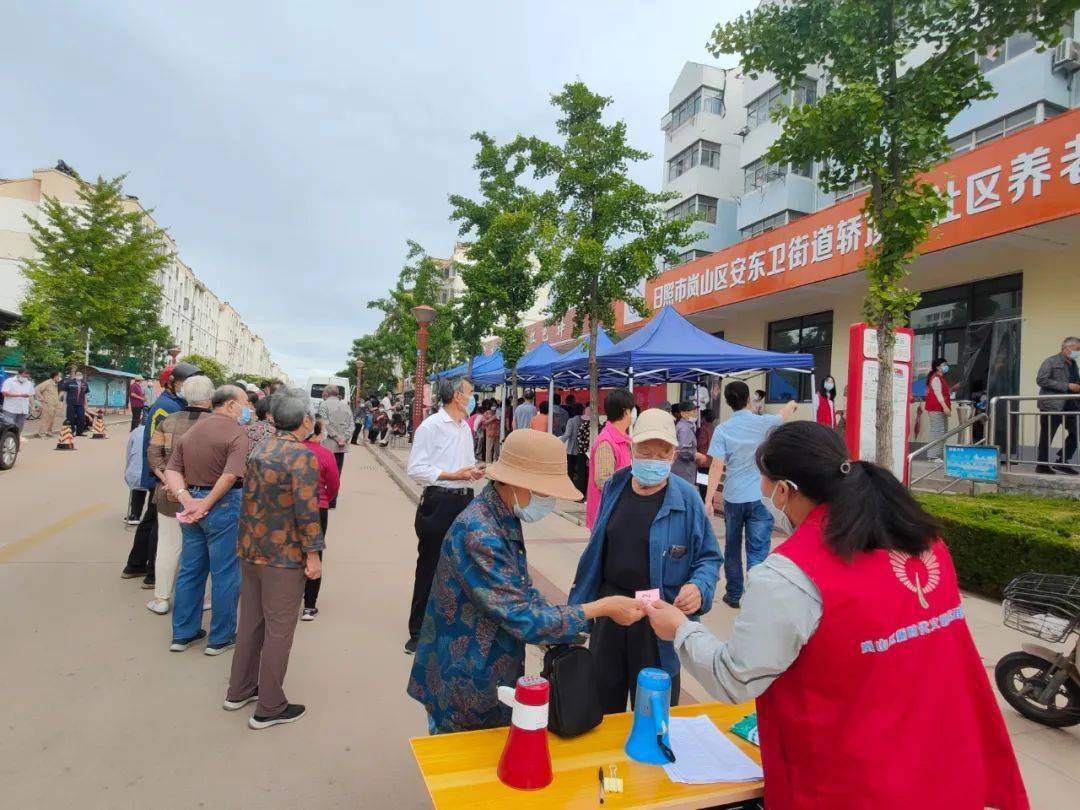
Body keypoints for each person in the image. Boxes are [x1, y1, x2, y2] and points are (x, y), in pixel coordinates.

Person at [644, 421, 1027, 809]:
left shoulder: (790, 576)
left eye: (768, 489)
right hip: (944, 765)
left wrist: (681, 631)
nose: (769, 502)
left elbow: (735, 678)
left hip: (852, 781)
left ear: (786, 489)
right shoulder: (925, 544)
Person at [407, 429, 646, 733]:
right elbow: (522, 615)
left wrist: (563, 621)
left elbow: (522, 590)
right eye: (545, 492)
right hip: (465, 682)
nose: (547, 502)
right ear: (520, 484)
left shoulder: (502, 514)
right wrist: (598, 609)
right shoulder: (480, 533)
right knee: (463, 770)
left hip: (488, 669)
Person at [570, 409, 721, 713]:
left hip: (658, 621)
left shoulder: (687, 499)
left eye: (662, 451)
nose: (653, 458)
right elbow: (597, 550)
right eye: (645, 450)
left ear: (674, 454)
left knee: (653, 716)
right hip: (611, 613)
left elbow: (709, 556)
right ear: (631, 448)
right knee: (601, 707)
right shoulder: (615, 486)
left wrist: (699, 586)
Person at [224, 387, 325, 729]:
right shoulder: (302, 456)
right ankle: (269, 706)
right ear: (305, 420)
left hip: (252, 549)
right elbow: (307, 512)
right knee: (279, 631)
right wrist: (313, 556)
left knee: (251, 622)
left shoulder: (262, 447)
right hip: (283, 556)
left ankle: (239, 689)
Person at [163, 385, 251, 655]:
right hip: (222, 505)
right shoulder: (238, 433)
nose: (249, 409)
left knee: (191, 570)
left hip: (193, 506)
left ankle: (183, 633)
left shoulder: (193, 431)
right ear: (231, 405)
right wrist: (205, 503)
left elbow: (172, 470)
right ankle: (220, 637)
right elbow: (230, 476)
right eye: (246, 403)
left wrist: (187, 499)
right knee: (225, 573)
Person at [403, 376, 485, 655]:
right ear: (457, 396)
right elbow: (416, 469)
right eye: (470, 393)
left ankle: (451, 624)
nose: (473, 397)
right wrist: (453, 474)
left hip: (464, 500)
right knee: (431, 564)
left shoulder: (465, 428)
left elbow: (465, 465)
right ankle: (417, 631)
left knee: (461, 565)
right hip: (439, 502)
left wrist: (474, 471)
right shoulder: (432, 426)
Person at [705, 381, 797, 609]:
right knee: (757, 549)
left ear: (727, 402)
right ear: (748, 400)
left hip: (733, 497)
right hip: (760, 497)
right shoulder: (764, 423)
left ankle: (734, 595)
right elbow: (783, 415)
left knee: (733, 547)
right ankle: (755, 598)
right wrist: (792, 404)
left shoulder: (722, 430)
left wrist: (708, 499)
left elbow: (716, 465)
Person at [122, 362, 200, 587]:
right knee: (161, 525)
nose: (188, 387)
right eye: (185, 383)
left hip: (163, 473)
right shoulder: (167, 407)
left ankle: (135, 565)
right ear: (171, 383)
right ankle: (153, 574)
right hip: (164, 475)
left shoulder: (174, 403)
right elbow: (162, 445)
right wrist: (168, 477)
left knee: (150, 520)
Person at [144, 375, 215, 615]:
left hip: (170, 496)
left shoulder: (169, 421)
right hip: (207, 499)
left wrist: (169, 482)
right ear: (211, 396)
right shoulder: (218, 424)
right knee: (203, 550)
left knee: (168, 546)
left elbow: (153, 456)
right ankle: (202, 599)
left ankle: (161, 598)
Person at [301, 420, 340, 620]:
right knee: (314, 553)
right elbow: (334, 484)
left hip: (292, 507)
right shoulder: (325, 454)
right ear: (317, 431)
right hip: (318, 507)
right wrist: (325, 498)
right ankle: (309, 606)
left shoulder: (294, 450)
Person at [585, 388, 635, 529]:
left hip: (620, 512)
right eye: (633, 410)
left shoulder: (624, 439)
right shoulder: (606, 443)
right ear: (626, 411)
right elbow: (604, 481)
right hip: (608, 516)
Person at [1035, 336, 1080, 475]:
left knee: (1076, 432)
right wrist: (1066, 386)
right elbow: (1041, 380)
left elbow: (1075, 382)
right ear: (1066, 348)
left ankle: (1062, 461)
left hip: (1071, 405)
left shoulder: (1073, 364)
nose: (1078, 352)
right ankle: (1041, 465)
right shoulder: (1051, 361)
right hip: (1052, 405)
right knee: (1047, 436)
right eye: (1077, 349)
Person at [317, 385, 352, 507]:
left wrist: (336, 438)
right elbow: (351, 425)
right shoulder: (346, 406)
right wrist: (344, 439)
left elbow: (324, 423)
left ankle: (322, 499)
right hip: (341, 447)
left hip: (327, 445)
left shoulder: (324, 405)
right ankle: (332, 501)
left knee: (323, 473)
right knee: (337, 473)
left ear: (327, 393)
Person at [671, 400, 706, 486]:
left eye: (696, 411)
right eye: (692, 412)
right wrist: (697, 456)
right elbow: (683, 451)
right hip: (683, 471)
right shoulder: (684, 429)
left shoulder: (686, 426)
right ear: (683, 414)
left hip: (684, 470)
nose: (695, 414)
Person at [924, 357, 952, 461]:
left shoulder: (941, 378)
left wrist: (952, 389)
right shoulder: (936, 378)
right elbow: (938, 394)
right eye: (944, 365)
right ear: (937, 367)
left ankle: (936, 455)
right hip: (936, 409)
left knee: (943, 432)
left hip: (940, 409)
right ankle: (932, 455)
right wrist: (945, 407)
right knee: (937, 432)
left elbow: (943, 393)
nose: (946, 367)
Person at [124, 423, 149, 526]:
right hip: (155, 478)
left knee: (137, 481)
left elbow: (128, 455)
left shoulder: (136, 431)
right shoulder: (162, 430)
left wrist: (127, 471)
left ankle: (135, 514)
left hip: (134, 476)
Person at [1, 368, 35, 433]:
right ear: (19, 374)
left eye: (27, 376)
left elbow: (31, 395)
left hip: (23, 410)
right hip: (10, 409)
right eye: (24, 376)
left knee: (19, 428)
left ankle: (16, 441)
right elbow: (4, 393)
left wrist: (33, 406)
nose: (26, 378)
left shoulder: (29, 383)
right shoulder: (9, 381)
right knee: (8, 427)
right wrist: (20, 395)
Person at [32, 371, 62, 438]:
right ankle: (41, 433)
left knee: (52, 419)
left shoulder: (55, 384)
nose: (60, 378)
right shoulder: (47, 382)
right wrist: (42, 398)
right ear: (55, 376)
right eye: (59, 376)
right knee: (45, 418)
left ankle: (49, 432)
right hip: (47, 404)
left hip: (54, 405)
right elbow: (37, 389)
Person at [59, 368, 89, 435]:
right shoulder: (69, 382)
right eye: (78, 374)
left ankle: (79, 432)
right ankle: (71, 432)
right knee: (70, 418)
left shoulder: (85, 384)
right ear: (75, 375)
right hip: (71, 403)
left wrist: (86, 405)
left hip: (80, 404)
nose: (79, 376)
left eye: (80, 375)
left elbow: (85, 395)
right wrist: (63, 403)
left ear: (82, 376)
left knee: (81, 417)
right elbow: (64, 393)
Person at [695, 408, 717, 500]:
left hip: (703, 462)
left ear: (704, 418)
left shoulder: (703, 429)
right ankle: (709, 503)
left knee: (703, 487)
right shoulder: (714, 428)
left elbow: (700, 443)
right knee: (709, 486)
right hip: (712, 460)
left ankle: (705, 506)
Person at [561, 402, 584, 479]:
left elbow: (567, 434)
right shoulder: (584, 420)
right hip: (582, 449)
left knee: (570, 471)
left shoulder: (571, 421)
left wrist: (559, 440)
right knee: (581, 471)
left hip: (571, 449)